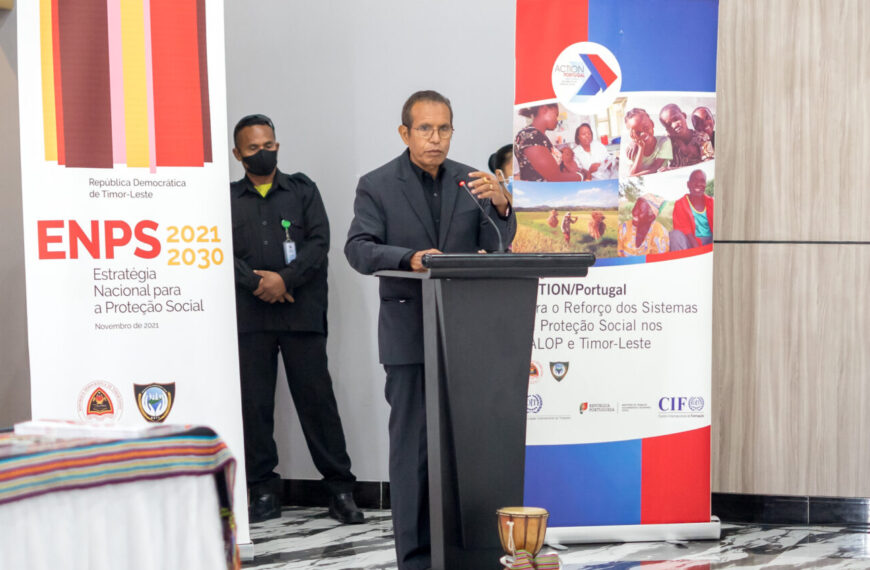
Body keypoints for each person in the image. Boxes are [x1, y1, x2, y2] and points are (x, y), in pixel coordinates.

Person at [344, 90, 515, 570]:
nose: (435, 138)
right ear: (405, 133)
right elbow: (358, 248)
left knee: (471, 448)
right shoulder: (377, 184)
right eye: (425, 129)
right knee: (413, 450)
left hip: (468, 336)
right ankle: (416, 558)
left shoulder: (471, 181)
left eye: (443, 129)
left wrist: (503, 207)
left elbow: (496, 246)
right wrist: (409, 258)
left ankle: (471, 550)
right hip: (409, 335)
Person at [230, 114, 363, 525]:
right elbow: (218, 251)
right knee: (254, 406)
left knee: (317, 402)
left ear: (277, 145)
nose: (263, 152)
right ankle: (262, 491)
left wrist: (283, 280)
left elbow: (319, 244)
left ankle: (340, 491)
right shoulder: (225, 199)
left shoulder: (304, 190)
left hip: (300, 314)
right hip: (250, 316)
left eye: (269, 145)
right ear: (237, 154)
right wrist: (258, 283)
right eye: (253, 148)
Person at [514, 103, 584, 182]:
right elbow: (555, 178)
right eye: (556, 115)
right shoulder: (530, 136)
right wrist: (581, 176)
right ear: (544, 110)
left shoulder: (538, 136)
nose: (557, 120)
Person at [670, 169, 714, 250]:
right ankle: (681, 258)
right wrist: (698, 250)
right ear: (688, 184)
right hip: (691, 242)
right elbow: (685, 229)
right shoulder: (680, 204)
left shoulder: (712, 202)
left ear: (705, 184)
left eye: (702, 181)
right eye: (694, 180)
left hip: (710, 240)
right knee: (674, 235)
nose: (698, 184)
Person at [659, 103, 714, 168]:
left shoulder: (702, 137)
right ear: (667, 130)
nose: (674, 125)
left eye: (676, 119)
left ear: (684, 115)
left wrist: (675, 169)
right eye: (668, 125)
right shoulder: (668, 142)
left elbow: (708, 163)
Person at [624, 108, 672, 176]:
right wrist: (641, 147)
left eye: (646, 128)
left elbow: (655, 169)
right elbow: (632, 173)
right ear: (632, 135)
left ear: (652, 124)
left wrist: (632, 176)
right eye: (638, 132)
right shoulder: (631, 150)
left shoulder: (664, 142)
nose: (643, 134)